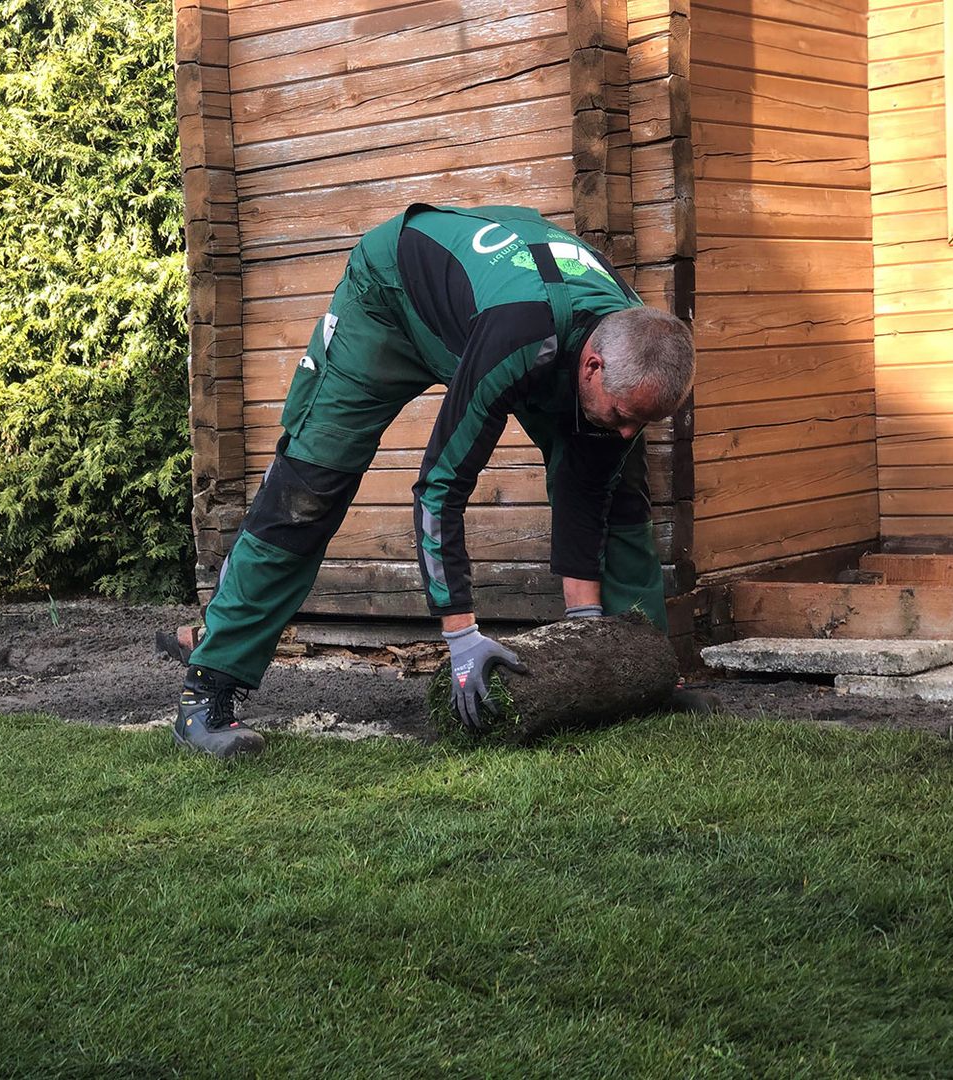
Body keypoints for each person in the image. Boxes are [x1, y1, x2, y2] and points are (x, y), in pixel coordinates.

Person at [173, 203, 696, 758]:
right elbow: (441, 487)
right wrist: (461, 636)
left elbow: (588, 486)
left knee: (618, 483)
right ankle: (207, 690)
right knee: (310, 488)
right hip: (390, 298)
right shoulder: (519, 335)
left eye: (643, 420)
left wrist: (587, 636)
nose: (629, 430)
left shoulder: (629, 335)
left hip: (508, 312)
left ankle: (644, 671)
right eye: (624, 414)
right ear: (592, 366)